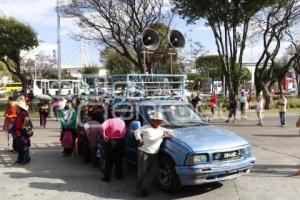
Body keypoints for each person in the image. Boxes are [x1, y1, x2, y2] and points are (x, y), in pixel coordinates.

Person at [134, 112, 174, 197]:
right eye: (157, 120)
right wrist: (139, 140)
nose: (159, 122)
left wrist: (169, 133)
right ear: (152, 121)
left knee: (154, 171)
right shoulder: (146, 128)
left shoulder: (161, 129)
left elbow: (170, 131)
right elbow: (136, 132)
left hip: (154, 154)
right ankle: (139, 190)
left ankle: (143, 187)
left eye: (160, 121)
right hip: (143, 153)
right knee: (142, 172)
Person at [100, 111, 126, 182]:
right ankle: (119, 175)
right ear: (120, 115)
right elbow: (124, 131)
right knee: (119, 159)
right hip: (121, 141)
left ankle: (107, 177)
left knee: (109, 160)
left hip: (111, 141)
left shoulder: (109, 121)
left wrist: (104, 135)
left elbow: (102, 127)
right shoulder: (122, 122)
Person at [12, 100, 31, 165]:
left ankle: (26, 159)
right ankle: (20, 159)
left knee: (24, 146)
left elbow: (26, 119)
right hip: (18, 132)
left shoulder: (23, 113)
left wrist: (23, 127)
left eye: (17, 106)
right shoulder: (19, 113)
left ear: (19, 107)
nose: (15, 107)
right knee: (19, 146)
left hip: (22, 132)